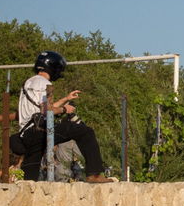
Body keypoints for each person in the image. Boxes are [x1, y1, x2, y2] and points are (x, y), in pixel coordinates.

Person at [17, 51, 113, 183]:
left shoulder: (29, 82)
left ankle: (27, 187)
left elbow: (41, 108)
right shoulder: (43, 82)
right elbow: (46, 110)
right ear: (53, 67)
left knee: (32, 168)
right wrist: (64, 109)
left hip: (27, 133)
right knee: (85, 132)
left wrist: (66, 98)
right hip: (40, 130)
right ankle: (94, 173)